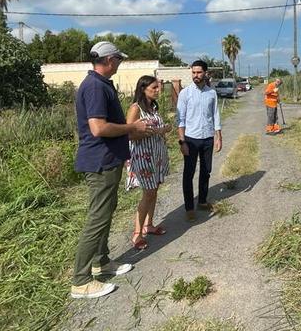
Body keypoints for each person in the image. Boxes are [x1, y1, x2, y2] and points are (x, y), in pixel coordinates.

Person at [70, 41, 151, 299]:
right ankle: (81, 281)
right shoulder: (94, 86)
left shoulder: (100, 84)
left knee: (106, 212)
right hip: (100, 162)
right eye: (119, 59)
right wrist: (132, 128)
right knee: (97, 218)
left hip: (108, 159)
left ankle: (101, 263)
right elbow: (98, 128)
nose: (119, 63)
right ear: (109, 60)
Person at [126, 75, 173, 250]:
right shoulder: (135, 108)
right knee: (148, 193)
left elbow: (154, 129)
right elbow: (129, 134)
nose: (157, 90)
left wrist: (162, 130)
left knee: (154, 191)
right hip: (143, 157)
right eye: (154, 87)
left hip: (156, 155)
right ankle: (137, 234)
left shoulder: (152, 108)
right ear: (143, 89)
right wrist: (157, 131)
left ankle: (149, 224)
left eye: (158, 87)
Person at [176, 60, 222, 221]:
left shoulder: (212, 93)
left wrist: (218, 136)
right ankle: (189, 207)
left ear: (205, 73)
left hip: (208, 137)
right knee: (189, 173)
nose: (196, 75)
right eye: (193, 72)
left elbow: (215, 115)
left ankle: (202, 200)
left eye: (199, 72)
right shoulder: (185, 93)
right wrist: (182, 142)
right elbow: (180, 119)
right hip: (191, 139)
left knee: (206, 170)